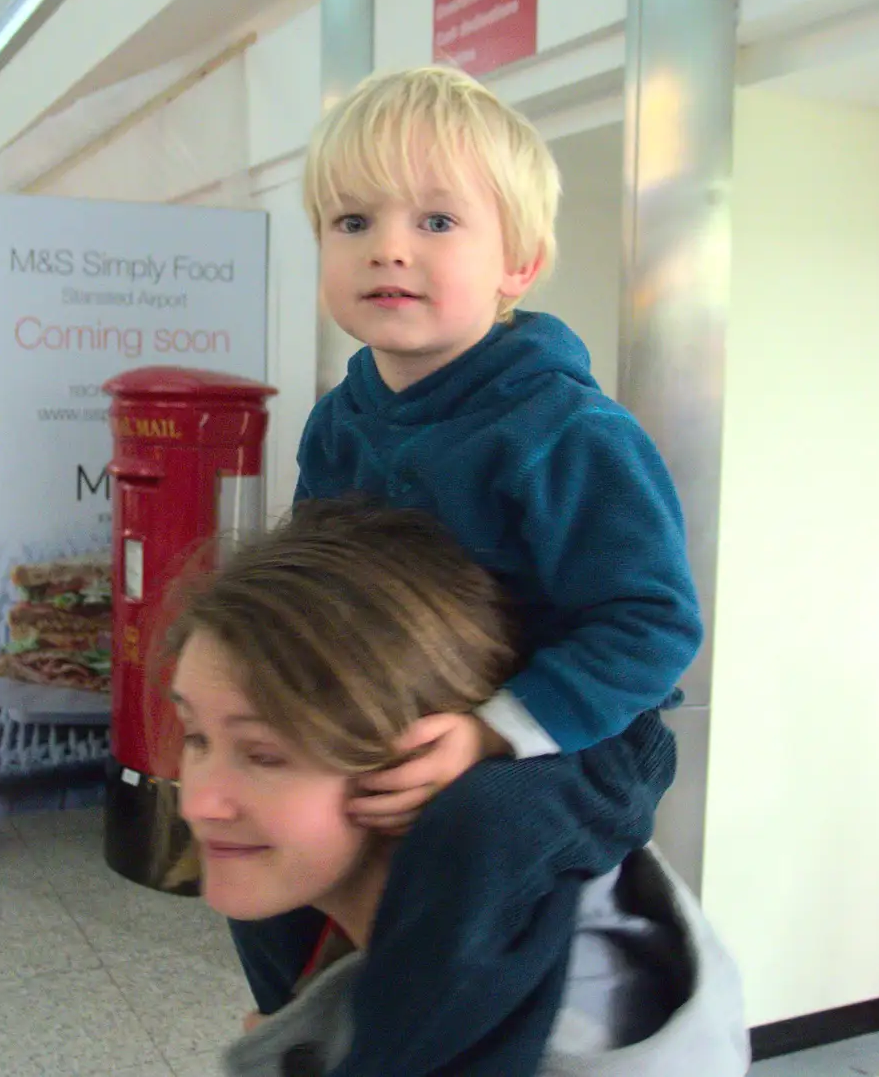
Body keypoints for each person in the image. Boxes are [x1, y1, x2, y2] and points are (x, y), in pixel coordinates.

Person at [230, 65, 704, 1015]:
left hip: (575, 740)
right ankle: (312, 1025)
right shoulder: (339, 422)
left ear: (517, 265)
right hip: (404, 715)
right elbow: (318, 589)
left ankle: (439, 1047)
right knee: (262, 806)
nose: (388, 252)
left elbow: (652, 626)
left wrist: (492, 733)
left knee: (474, 830)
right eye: (352, 223)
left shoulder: (568, 434)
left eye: (436, 223)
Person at [171, 502, 748, 1077]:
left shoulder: (568, 1051)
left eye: (264, 755)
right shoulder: (337, 931)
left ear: (424, 757)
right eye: (196, 737)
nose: (198, 803)